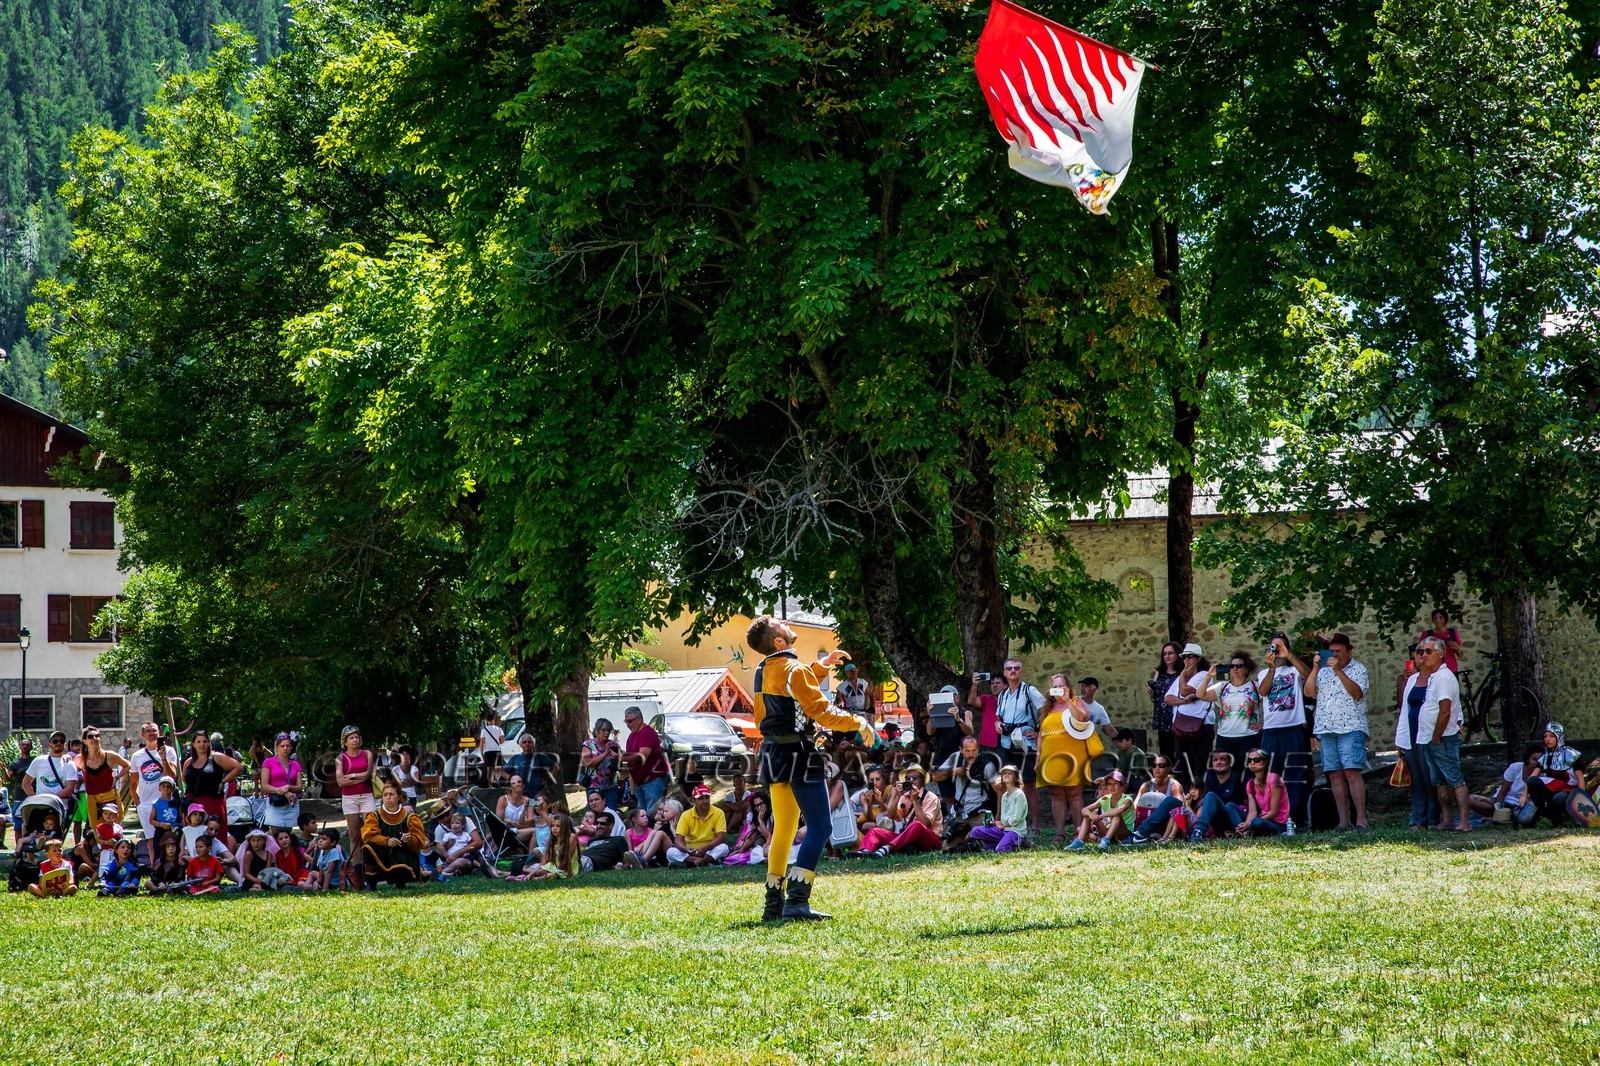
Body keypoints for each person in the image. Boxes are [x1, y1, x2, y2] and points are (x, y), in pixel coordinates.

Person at [746, 614, 870, 921]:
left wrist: (822, 666)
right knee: (821, 826)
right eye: (779, 623)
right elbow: (822, 712)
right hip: (799, 750)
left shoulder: (765, 668)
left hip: (773, 751)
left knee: (784, 831)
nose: (785, 622)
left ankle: (773, 905)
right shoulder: (794, 669)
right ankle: (798, 902)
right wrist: (859, 721)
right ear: (778, 641)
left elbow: (790, 686)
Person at [1400, 637, 1469, 831]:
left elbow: (1445, 710)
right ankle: (1447, 820)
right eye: (1420, 651)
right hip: (1428, 738)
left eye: (1428, 651)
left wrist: (1437, 737)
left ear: (1440, 654)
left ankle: (1464, 821)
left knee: (1455, 780)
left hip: (1442, 738)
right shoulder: (1427, 677)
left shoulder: (1444, 677)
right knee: (1439, 781)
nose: (1422, 655)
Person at [1305, 633, 1370, 831]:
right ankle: (1343, 822)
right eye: (1331, 651)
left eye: (1339, 651)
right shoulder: (1323, 671)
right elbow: (1308, 692)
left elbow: (1357, 693)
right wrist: (1316, 668)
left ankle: (1361, 820)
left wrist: (1338, 670)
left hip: (1351, 727)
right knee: (1334, 775)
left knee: (1352, 772)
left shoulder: (1358, 669)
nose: (1334, 654)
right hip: (1326, 728)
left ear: (1349, 652)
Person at [1256, 634, 1313, 827]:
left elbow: (1308, 675)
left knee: (1296, 775)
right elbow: (1263, 692)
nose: (1276, 651)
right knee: (1272, 776)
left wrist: (1289, 656)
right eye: (1273, 647)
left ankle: (1296, 817)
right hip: (1271, 731)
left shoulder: (1294, 669)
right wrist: (1272, 668)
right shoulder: (1264, 673)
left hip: (1294, 728)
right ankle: (1276, 818)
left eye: (1279, 647)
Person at [1036, 674, 1096, 845]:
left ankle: (1079, 831)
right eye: (1055, 686)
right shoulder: (1048, 707)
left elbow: (1083, 718)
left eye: (1062, 685)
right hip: (1050, 757)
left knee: (1075, 793)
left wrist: (1068, 699)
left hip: (1073, 755)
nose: (1058, 689)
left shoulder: (1076, 701)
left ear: (1068, 687)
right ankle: (1060, 832)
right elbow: (1041, 735)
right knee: (1056, 794)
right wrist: (1038, 758)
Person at [996, 657, 1047, 833]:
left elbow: (1046, 708)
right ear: (1004, 672)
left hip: (1025, 742)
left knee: (1029, 784)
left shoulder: (1029, 690)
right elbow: (998, 716)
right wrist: (997, 724)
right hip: (1006, 742)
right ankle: (1009, 824)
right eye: (1009, 668)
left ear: (1020, 671)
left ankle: (1034, 825)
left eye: (1016, 668)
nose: (1013, 671)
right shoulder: (1002, 694)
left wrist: (1039, 731)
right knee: (1007, 783)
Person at [859, 765, 944, 858]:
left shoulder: (931, 797)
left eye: (915, 778)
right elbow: (891, 816)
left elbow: (925, 823)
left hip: (930, 840)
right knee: (874, 831)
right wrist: (898, 796)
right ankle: (864, 851)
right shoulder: (904, 796)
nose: (911, 780)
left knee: (917, 824)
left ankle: (887, 848)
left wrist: (915, 801)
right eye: (908, 778)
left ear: (923, 781)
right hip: (909, 839)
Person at [1202, 651, 1262, 768]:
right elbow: (1201, 694)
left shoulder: (1255, 686)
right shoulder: (1222, 686)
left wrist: (1264, 725)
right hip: (1225, 737)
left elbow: (1271, 705)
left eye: (1239, 666)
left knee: (1248, 772)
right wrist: (1209, 676)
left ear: (1246, 669)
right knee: (1226, 772)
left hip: (1249, 737)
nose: (1235, 668)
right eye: (1232, 666)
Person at [1166, 647, 1216, 786]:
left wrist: (1182, 677)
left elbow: (1184, 690)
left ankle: (1201, 797)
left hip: (1201, 726)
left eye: (1191, 656)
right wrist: (1183, 701)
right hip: (1181, 727)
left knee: (1200, 765)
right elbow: (1168, 699)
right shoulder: (1180, 678)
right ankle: (1186, 796)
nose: (1187, 660)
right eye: (1184, 657)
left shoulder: (1203, 675)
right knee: (1182, 767)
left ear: (1199, 659)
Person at [361, 782, 427, 886]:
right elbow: (367, 835)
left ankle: (401, 883)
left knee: (401, 859)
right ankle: (371, 883)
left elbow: (420, 842)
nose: (388, 798)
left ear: (399, 797)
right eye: (385, 795)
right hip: (382, 853)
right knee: (368, 847)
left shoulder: (410, 818)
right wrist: (386, 841)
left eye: (391, 794)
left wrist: (410, 839)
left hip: (403, 853)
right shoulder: (374, 816)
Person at [333, 725, 376, 882]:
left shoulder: (367, 754)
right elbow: (340, 781)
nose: (355, 740)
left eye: (357, 737)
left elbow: (370, 775)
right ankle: (358, 868)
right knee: (354, 834)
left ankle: (372, 864)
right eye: (351, 738)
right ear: (345, 741)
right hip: (349, 798)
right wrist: (359, 777)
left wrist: (352, 776)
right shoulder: (340, 758)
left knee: (370, 831)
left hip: (366, 795)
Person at [933, 736, 999, 831]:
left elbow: (1000, 792)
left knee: (986, 844)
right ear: (961, 749)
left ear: (978, 749)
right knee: (947, 844)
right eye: (967, 751)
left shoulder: (987, 765)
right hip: (960, 813)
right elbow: (935, 777)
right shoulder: (955, 757)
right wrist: (954, 771)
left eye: (974, 750)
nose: (971, 754)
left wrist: (998, 817)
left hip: (980, 813)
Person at [127, 721, 179, 840]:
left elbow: (172, 775)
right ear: (142, 734)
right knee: (151, 840)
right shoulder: (137, 756)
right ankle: (153, 860)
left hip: (165, 802)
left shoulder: (169, 751)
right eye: (148, 731)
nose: (152, 733)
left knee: (169, 838)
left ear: (159, 733)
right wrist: (137, 803)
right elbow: (134, 782)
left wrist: (164, 759)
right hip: (145, 803)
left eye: (154, 730)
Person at [1527, 722, 1586, 826]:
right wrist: (1524, 795)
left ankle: (1563, 818)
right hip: (1551, 789)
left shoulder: (1571, 754)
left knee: (1559, 799)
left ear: (1559, 737)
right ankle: (1550, 816)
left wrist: (1582, 798)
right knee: (1533, 782)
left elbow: (1580, 779)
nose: (1547, 739)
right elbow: (1532, 777)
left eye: (1551, 736)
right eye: (1545, 736)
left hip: (1568, 790)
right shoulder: (1544, 757)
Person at [74, 727, 129, 832]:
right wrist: (66, 757)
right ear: (84, 741)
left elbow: (127, 765)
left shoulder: (109, 755)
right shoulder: (79, 759)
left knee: (114, 830)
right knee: (98, 832)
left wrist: (117, 777)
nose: (94, 738)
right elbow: (70, 771)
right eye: (90, 736)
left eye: (97, 736)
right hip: (92, 799)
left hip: (111, 796)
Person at [620, 706, 673, 815]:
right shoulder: (631, 736)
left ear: (639, 719)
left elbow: (641, 757)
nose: (628, 724)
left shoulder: (647, 732)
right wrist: (632, 790)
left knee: (652, 813)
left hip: (653, 780)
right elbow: (631, 762)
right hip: (640, 783)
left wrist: (620, 757)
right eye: (626, 721)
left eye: (630, 721)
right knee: (642, 815)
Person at [181, 731, 241, 823]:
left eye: (205, 741)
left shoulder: (216, 757)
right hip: (192, 805)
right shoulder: (188, 762)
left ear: (209, 743)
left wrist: (223, 781)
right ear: (193, 744)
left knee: (213, 833)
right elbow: (184, 778)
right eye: (199, 742)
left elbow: (238, 767)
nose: (202, 744)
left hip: (212, 802)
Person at [1122, 756, 1186, 844]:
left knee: (1169, 801)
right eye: (1154, 765)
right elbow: (1135, 806)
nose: (1157, 768)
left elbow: (1180, 805)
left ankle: (1140, 834)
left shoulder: (1174, 785)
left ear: (1168, 768)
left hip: (1167, 825)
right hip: (1147, 822)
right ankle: (1141, 834)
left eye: (1161, 765)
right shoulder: (1147, 785)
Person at [1064, 770, 1133, 851]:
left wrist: (1100, 816)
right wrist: (1091, 815)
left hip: (1124, 834)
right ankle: (1079, 841)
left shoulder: (1127, 799)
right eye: (1109, 784)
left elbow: (1118, 811)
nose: (1112, 786)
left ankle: (1105, 840)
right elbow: (1084, 810)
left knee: (1116, 815)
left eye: (1115, 784)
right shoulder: (1105, 798)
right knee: (1088, 816)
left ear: (1122, 786)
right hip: (1110, 832)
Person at [1471, 747, 1540, 827]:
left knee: (1524, 817)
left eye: (1540, 760)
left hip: (1518, 807)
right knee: (1472, 799)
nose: (1537, 762)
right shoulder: (1515, 768)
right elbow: (1503, 791)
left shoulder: (1543, 775)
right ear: (1528, 759)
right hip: (1502, 802)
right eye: (1534, 759)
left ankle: (1507, 818)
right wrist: (1499, 811)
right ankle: (1498, 817)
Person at [667, 784, 730, 867]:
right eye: (700, 798)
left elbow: (721, 838)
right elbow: (678, 841)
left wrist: (706, 848)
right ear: (693, 800)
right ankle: (706, 862)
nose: (705, 801)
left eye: (707, 797)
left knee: (724, 848)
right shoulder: (686, 815)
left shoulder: (718, 812)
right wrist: (687, 850)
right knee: (670, 852)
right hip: (691, 852)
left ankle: (690, 864)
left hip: (710, 850)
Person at [968, 765, 1028, 852]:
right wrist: (997, 823)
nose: (1006, 775)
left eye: (1010, 773)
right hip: (1004, 829)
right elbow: (1005, 816)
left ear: (1016, 778)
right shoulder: (1004, 795)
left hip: (1015, 830)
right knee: (975, 831)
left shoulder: (1019, 794)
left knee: (1000, 850)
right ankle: (1000, 843)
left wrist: (1003, 825)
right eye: (1004, 773)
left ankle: (1018, 842)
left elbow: (1017, 818)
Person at [258, 733, 307, 833]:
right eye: (282, 746)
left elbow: (299, 787)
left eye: (287, 745)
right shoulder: (269, 762)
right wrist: (283, 791)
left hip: (291, 803)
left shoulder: (295, 764)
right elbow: (264, 786)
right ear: (277, 747)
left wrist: (288, 787)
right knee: (276, 835)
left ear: (291, 747)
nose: (285, 748)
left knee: (287, 836)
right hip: (275, 803)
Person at [1147, 641, 1183, 765]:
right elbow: (1154, 698)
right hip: (1162, 717)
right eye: (1165, 654)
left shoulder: (1182, 673)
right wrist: (1151, 693)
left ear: (1178, 655)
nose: (1167, 656)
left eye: (1170, 653)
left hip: (1177, 716)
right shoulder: (1159, 673)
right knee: (1165, 751)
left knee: (1179, 750)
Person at [1239, 749, 1291, 837]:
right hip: (1262, 820)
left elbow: (1273, 813)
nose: (1252, 763)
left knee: (1257, 822)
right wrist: (1246, 824)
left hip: (1278, 824)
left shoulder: (1274, 779)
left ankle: (1248, 833)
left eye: (1256, 760)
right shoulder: (1250, 783)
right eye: (1249, 760)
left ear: (1265, 762)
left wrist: (1250, 824)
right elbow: (1252, 811)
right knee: (1231, 806)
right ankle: (1241, 831)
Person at [578, 721, 624, 809]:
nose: (606, 733)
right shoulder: (588, 745)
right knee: (594, 814)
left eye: (608, 730)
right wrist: (605, 753)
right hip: (594, 786)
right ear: (597, 730)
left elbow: (620, 768)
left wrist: (619, 758)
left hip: (611, 786)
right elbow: (588, 763)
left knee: (611, 813)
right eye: (603, 730)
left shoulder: (614, 745)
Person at [507, 733, 561, 798]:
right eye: (524, 742)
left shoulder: (540, 756)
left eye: (530, 742)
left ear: (533, 744)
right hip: (521, 794)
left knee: (534, 806)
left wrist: (548, 781)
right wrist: (513, 781)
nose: (527, 744)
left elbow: (556, 768)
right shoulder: (515, 758)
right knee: (525, 807)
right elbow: (502, 771)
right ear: (520, 745)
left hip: (537, 793)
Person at [964, 674, 1004, 758]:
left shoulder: (1012, 700)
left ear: (1006, 685)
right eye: (992, 683)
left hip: (1006, 744)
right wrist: (974, 685)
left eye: (998, 683)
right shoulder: (986, 699)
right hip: (986, 743)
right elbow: (971, 701)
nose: (994, 685)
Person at [436, 812, 485, 880]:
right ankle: (440, 873)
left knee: (472, 856)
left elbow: (476, 844)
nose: (454, 825)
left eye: (447, 814)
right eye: (452, 823)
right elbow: (440, 849)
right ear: (438, 819)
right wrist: (447, 856)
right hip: (450, 858)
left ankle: (481, 867)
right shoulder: (447, 834)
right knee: (459, 862)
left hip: (464, 856)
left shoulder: (466, 834)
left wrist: (466, 851)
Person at [6, 734, 32, 848]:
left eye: (28, 745)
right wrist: (3, 769)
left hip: (32, 796)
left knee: (31, 824)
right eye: (23, 745)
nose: (25, 746)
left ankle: (30, 849)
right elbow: (7, 778)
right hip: (19, 797)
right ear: (20, 747)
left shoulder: (35, 761)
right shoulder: (15, 763)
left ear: (31, 747)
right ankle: (18, 850)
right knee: (17, 826)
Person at [1419, 608, 1464, 673]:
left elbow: (1460, 656)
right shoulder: (1427, 634)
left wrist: (1458, 648)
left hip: (1450, 669)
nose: (1438, 620)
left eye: (1441, 618)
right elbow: (1420, 653)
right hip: (1432, 670)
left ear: (1445, 619)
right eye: (1435, 618)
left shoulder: (1452, 633)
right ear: (1433, 620)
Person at [150, 776, 182, 851]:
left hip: (175, 831)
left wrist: (178, 826)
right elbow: (151, 820)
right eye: (163, 786)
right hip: (161, 831)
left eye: (168, 786)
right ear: (159, 788)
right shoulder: (156, 803)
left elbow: (181, 818)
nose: (165, 788)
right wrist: (161, 824)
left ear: (173, 788)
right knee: (159, 852)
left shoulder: (177, 803)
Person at [479, 709, 506, 784]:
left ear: (487, 721)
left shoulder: (484, 730)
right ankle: (497, 782)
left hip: (488, 751)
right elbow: (503, 740)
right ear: (494, 720)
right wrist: (498, 742)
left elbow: (482, 743)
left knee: (489, 769)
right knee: (498, 768)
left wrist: (481, 753)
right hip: (497, 751)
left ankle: (490, 785)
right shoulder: (499, 729)